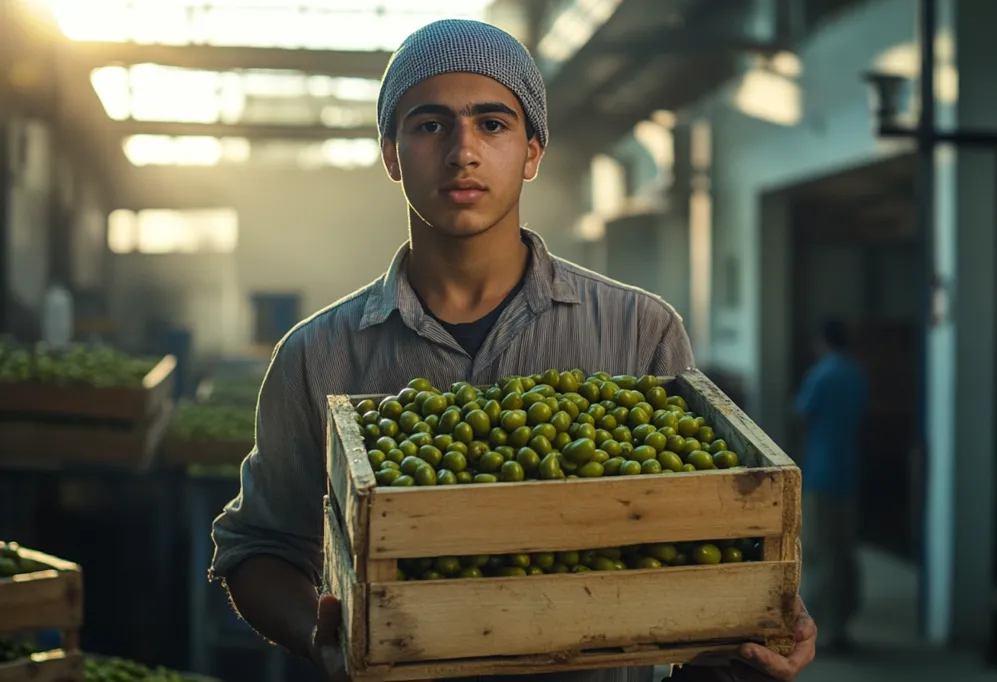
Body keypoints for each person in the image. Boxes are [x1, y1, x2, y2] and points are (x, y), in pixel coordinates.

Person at [209, 19, 817, 682]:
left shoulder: (640, 330)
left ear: (532, 151)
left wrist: (752, 628)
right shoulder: (315, 355)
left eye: (492, 124)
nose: (462, 152)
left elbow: (706, 543)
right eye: (430, 124)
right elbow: (258, 547)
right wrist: (316, 635)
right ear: (392, 154)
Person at [794, 319, 868, 654]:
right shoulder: (855, 374)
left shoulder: (822, 374)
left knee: (821, 553)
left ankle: (820, 631)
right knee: (842, 551)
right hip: (848, 471)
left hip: (822, 473)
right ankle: (842, 625)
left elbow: (801, 415)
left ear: (822, 340)